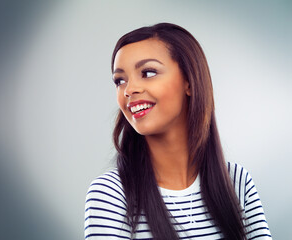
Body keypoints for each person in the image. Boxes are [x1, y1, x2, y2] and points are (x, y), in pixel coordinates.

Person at [84, 23, 272, 240]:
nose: (129, 89)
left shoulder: (237, 182)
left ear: (189, 82)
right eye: (120, 80)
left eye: (148, 72)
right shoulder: (111, 193)